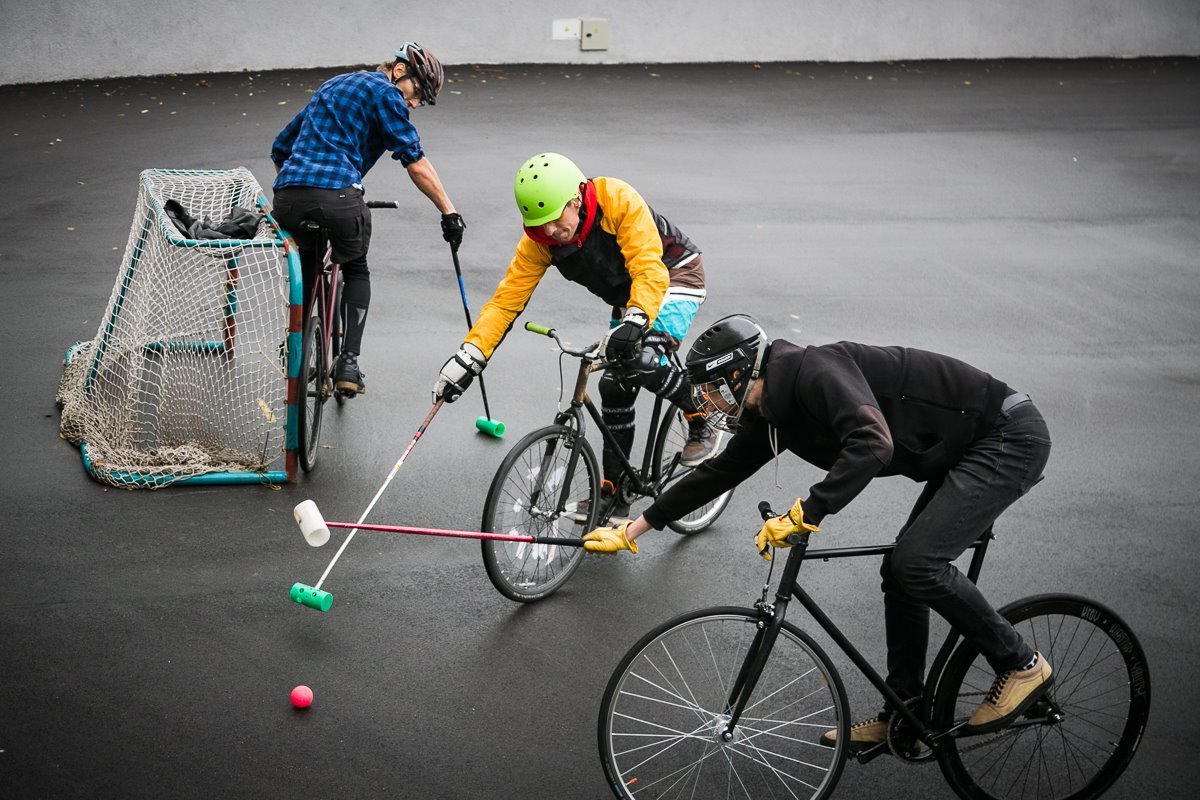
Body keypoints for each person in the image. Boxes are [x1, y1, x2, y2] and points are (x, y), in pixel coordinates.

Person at [584, 314, 1054, 745]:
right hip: (959, 447)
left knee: (917, 564)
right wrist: (635, 529)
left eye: (714, 391)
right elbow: (719, 472)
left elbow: (873, 443)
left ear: (739, 374)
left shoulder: (814, 373)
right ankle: (905, 710)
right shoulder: (775, 410)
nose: (709, 404)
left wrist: (808, 511)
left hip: (1006, 435)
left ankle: (1021, 664)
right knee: (902, 570)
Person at [433, 153, 720, 520]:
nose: (550, 231)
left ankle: (701, 417)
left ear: (576, 199)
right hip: (631, 298)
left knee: (646, 358)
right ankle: (615, 495)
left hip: (674, 275)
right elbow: (505, 304)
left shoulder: (617, 199)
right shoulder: (538, 243)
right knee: (614, 385)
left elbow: (649, 270)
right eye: (540, 225)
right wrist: (469, 356)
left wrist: (635, 320)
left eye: (555, 219)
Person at [271, 42, 465, 395]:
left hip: (288, 198)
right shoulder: (385, 93)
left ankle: (294, 346)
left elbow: (281, 147)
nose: (415, 103)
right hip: (340, 198)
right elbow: (415, 161)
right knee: (356, 267)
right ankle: (348, 362)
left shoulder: (332, 86)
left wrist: (303, 187)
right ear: (399, 71)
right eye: (417, 92)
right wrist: (449, 211)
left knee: (309, 268)